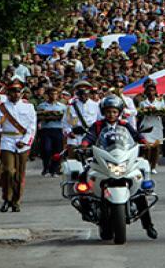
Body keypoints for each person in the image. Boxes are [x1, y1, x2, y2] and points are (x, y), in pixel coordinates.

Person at [80, 95, 157, 239]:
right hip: (102, 160)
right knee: (83, 177)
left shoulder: (124, 125)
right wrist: (84, 145)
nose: (111, 114)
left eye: (114, 112)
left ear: (119, 112)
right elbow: (89, 137)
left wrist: (144, 142)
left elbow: (135, 136)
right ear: (104, 112)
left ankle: (149, 226)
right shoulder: (97, 125)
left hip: (122, 160)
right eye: (108, 111)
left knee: (140, 193)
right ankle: (86, 209)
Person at [0, 80, 36, 213]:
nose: (15, 94)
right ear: (8, 93)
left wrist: (26, 141)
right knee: (8, 171)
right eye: (12, 91)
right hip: (7, 140)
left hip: (23, 142)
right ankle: (6, 198)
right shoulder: (1, 108)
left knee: (19, 175)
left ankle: (16, 201)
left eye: (18, 91)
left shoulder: (29, 107)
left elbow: (32, 127)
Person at [62, 80, 101, 149]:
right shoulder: (71, 106)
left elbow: (100, 121)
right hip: (74, 137)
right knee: (73, 158)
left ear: (89, 93)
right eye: (81, 94)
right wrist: (69, 132)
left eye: (85, 93)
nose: (83, 96)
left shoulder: (96, 105)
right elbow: (65, 122)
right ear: (77, 93)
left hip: (90, 137)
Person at [37, 87, 66, 176]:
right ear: (48, 95)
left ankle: (54, 169)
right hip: (46, 130)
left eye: (55, 94)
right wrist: (52, 116)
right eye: (51, 94)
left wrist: (50, 115)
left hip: (58, 129)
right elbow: (40, 117)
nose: (53, 96)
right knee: (46, 149)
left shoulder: (62, 106)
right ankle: (46, 168)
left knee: (57, 150)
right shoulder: (42, 106)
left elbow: (64, 118)